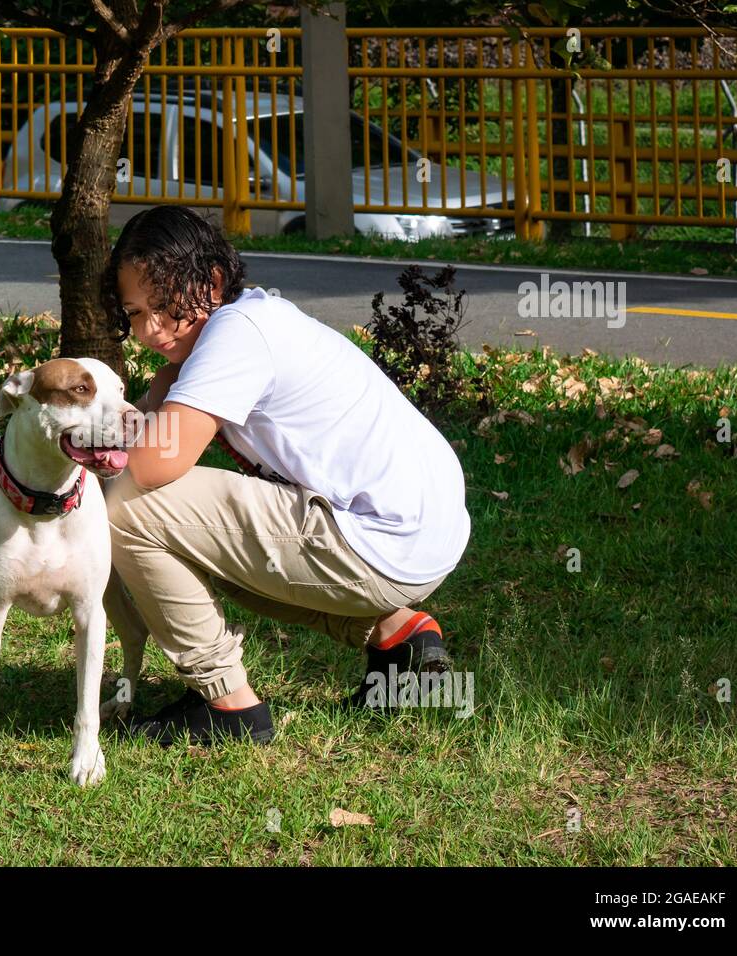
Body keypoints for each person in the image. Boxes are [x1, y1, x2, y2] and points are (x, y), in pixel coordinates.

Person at [98, 205, 470, 746]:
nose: (151, 328)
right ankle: (397, 638)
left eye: (164, 304)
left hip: (384, 543)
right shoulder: (255, 319)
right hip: (418, 536)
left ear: (213, 281)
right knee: (198, 536)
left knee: (127, 509)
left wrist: (86, 456)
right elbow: (157, 429)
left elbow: (153, 464)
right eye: (135, 312)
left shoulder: (237, 334)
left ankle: (227, 705)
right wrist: (163, 386)